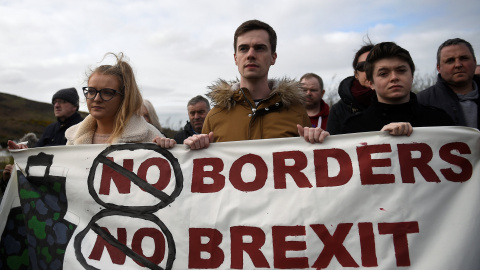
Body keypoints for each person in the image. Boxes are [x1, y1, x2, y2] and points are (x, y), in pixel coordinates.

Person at [155, 19, 329, 149]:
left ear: (273, 57)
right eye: (244, 48)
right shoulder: (215, 116)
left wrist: (320, 141)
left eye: (259, 48)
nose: (251, 54)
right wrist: (191, 148)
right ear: (235, 58)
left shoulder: (296, 113)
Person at [342, 42, 454, 135]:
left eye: (401, 70)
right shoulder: (353, 128)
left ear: (412, 76)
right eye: (383, 73)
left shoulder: (440, 121)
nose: (394, 77)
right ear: (371, 83)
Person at [64, 53, 164, 145]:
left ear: (124, 97)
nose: (97, 98)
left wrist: (167, 147)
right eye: (91, 91)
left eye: (107, 93)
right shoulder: (73, 138)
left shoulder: (150, 136)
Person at [417, 38, 479, 128]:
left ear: (475, 62)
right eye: (450, 61)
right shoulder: (421, 102)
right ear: (438, 68)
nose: (458, 65)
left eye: (464, 58)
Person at [326, 43, 375, 135]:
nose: (369, 71)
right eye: (363, 66)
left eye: (374, 65)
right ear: (356, 74)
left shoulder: (403, 100)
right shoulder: (338, 110)